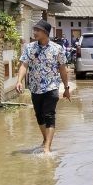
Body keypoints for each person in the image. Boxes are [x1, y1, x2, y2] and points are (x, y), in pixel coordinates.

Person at [16, 20, 71, 154]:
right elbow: (24, 65)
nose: (34, 32)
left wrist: (66, 88)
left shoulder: (57, 48)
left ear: (45, 33)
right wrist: (19, 81)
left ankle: (47, 147)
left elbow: (63, 69)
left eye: (37, 30)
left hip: (52, 87)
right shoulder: (29, 48)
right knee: (39, 116)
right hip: (35, 88)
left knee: (49, 115)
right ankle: (46, 140)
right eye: (34, 30)